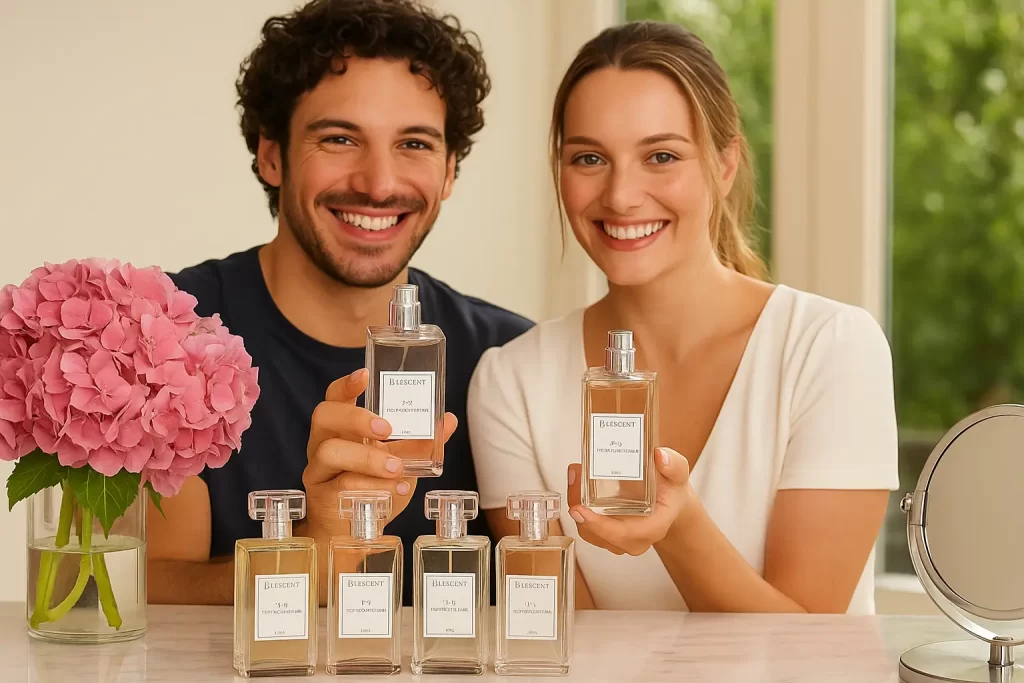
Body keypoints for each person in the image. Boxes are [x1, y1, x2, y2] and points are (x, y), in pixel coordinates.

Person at [467, 21, 900, 614]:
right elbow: (566, 645)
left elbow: (811, 649)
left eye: (661, 156)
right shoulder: (509, 382)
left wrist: (679, 528)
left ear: (724, 167)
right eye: (589, 158)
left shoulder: (830, 349)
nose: (621, 196)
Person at [149, 0, 531, 607]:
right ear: (271, 155)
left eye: (414, 143)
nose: (378, 183)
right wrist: (316, 549)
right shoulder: (165, 334)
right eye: (339, 137)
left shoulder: (513, 361)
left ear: (451, 170)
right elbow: (115, 591)